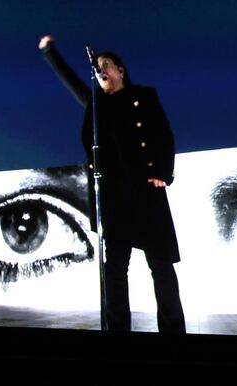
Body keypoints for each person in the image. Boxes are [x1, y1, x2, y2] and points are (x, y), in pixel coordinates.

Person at [39, 35, 185, 333]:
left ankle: (173, 333)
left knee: (161, 266)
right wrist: (50, 53)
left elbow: (163, 133)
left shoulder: (144, 95)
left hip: (145, 191)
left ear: (120, 69)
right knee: (114, 272)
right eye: (96, 68)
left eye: (105, 65)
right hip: (113, 197)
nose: (99, 71)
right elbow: (70, 80)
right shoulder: (96, 104)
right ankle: (117, 334)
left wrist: (163, 171)